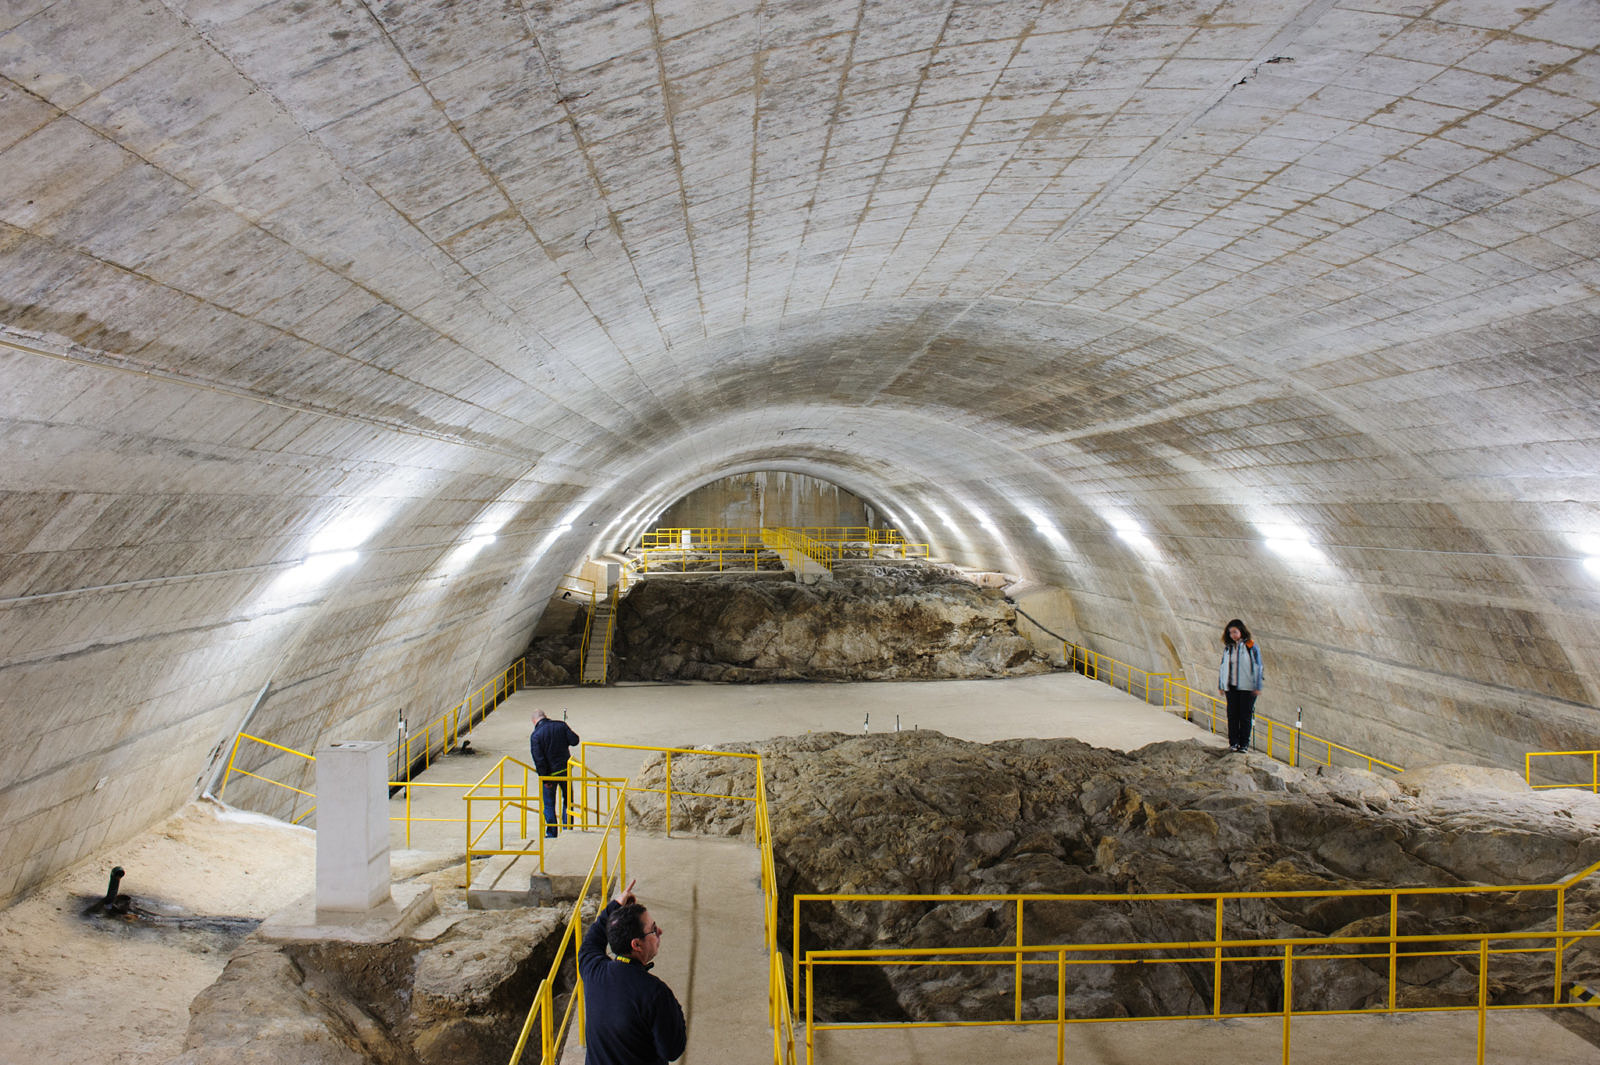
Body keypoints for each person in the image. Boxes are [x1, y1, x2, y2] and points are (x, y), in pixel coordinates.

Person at [579, 878, 686, 1065]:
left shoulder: (593, 972)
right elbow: (672, 1050)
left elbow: (590, 942)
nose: (660, 931)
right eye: (653, 930)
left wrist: (616, 905)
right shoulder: (654, 993)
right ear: (636, 944)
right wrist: (674, 1010)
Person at [529, 709, 580, 837]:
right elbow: (575, 741)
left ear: (534, 721)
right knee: (568, 800)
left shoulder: (536, 735)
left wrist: (545, 779)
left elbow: (539, 759)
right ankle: (568, 829)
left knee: (549, 804)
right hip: (565, 771)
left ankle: (552, 833)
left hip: (549, 775)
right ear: (545, 716)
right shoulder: (560, 725)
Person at [1217, 618, 1263, 753]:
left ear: (1241, 631)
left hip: (1247, 687)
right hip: (1231, 687)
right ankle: (1233, 743)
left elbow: (1258, 666)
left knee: (1245, 716)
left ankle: (1244, 744)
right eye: (1230, 633)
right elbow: (1223, 667)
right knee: (1232, 716)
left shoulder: (1250, 646)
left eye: (1235, 632)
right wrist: (1221, 684)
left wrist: (1257, 685)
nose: (1233, 635)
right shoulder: (1228, 648)